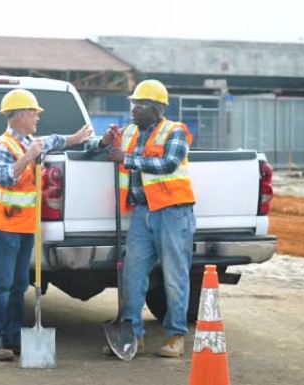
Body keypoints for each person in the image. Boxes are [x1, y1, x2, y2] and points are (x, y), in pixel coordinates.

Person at [0, 88, 92, 361]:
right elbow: (5, 178)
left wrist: (75, 138)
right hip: (4, 227)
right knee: (0, 285)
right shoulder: (4, 146)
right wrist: (29, 156)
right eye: (33, 113)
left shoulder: (28, 140)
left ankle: (13, 339)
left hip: (23, 227)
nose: (37, 118)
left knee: (18, 287)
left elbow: (50, 140)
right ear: (19, 116)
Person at [85, 79, 196, 358]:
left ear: (156, 109)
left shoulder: (175, 131)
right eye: (132, 104)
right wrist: (104, 140)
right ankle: (132, 335)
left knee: (175, 276)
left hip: (172, 212)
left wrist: (127, 159)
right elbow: (95, 147)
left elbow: (167, 163)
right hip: (142, 213)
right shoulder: (130, 132)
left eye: (139, 104)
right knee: (132, 274)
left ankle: (175, 336)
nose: (133, 109)